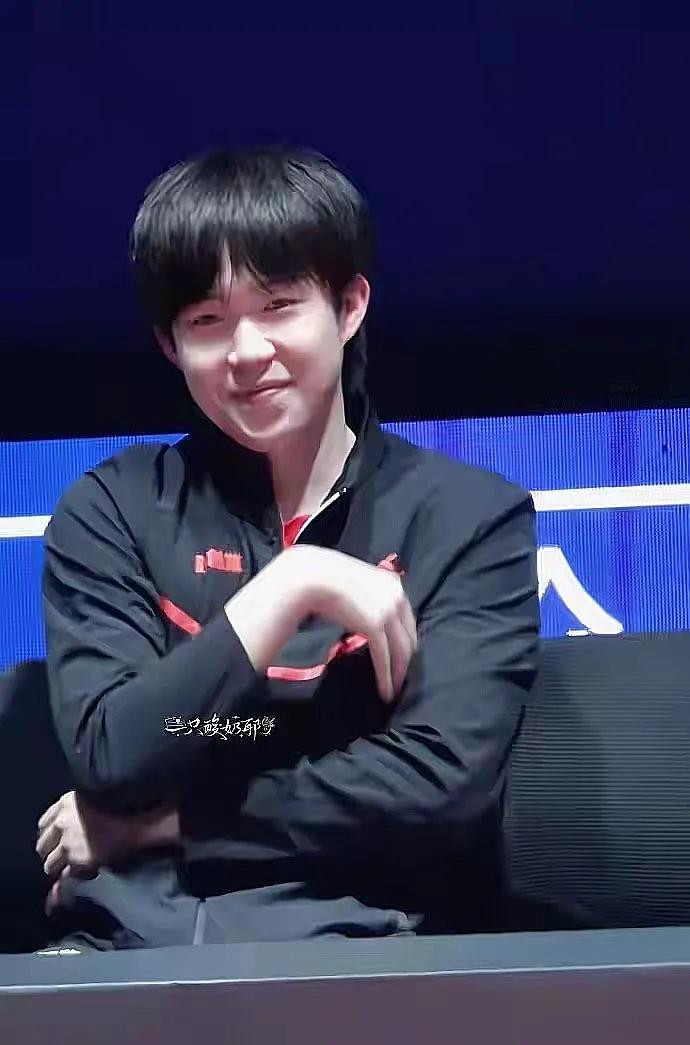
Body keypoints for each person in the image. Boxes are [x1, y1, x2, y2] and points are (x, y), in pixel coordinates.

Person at [36, 146, 540, 951]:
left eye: (278, 306)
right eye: (207, 321)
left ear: (348, 307)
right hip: (119, 955)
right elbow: (115, 753)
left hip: (358, 953)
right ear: (170, 344)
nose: (246, 351)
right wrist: (288, 587)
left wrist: (168, 822)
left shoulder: (469, 518)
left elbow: (439, 788)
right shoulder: (111, 510)